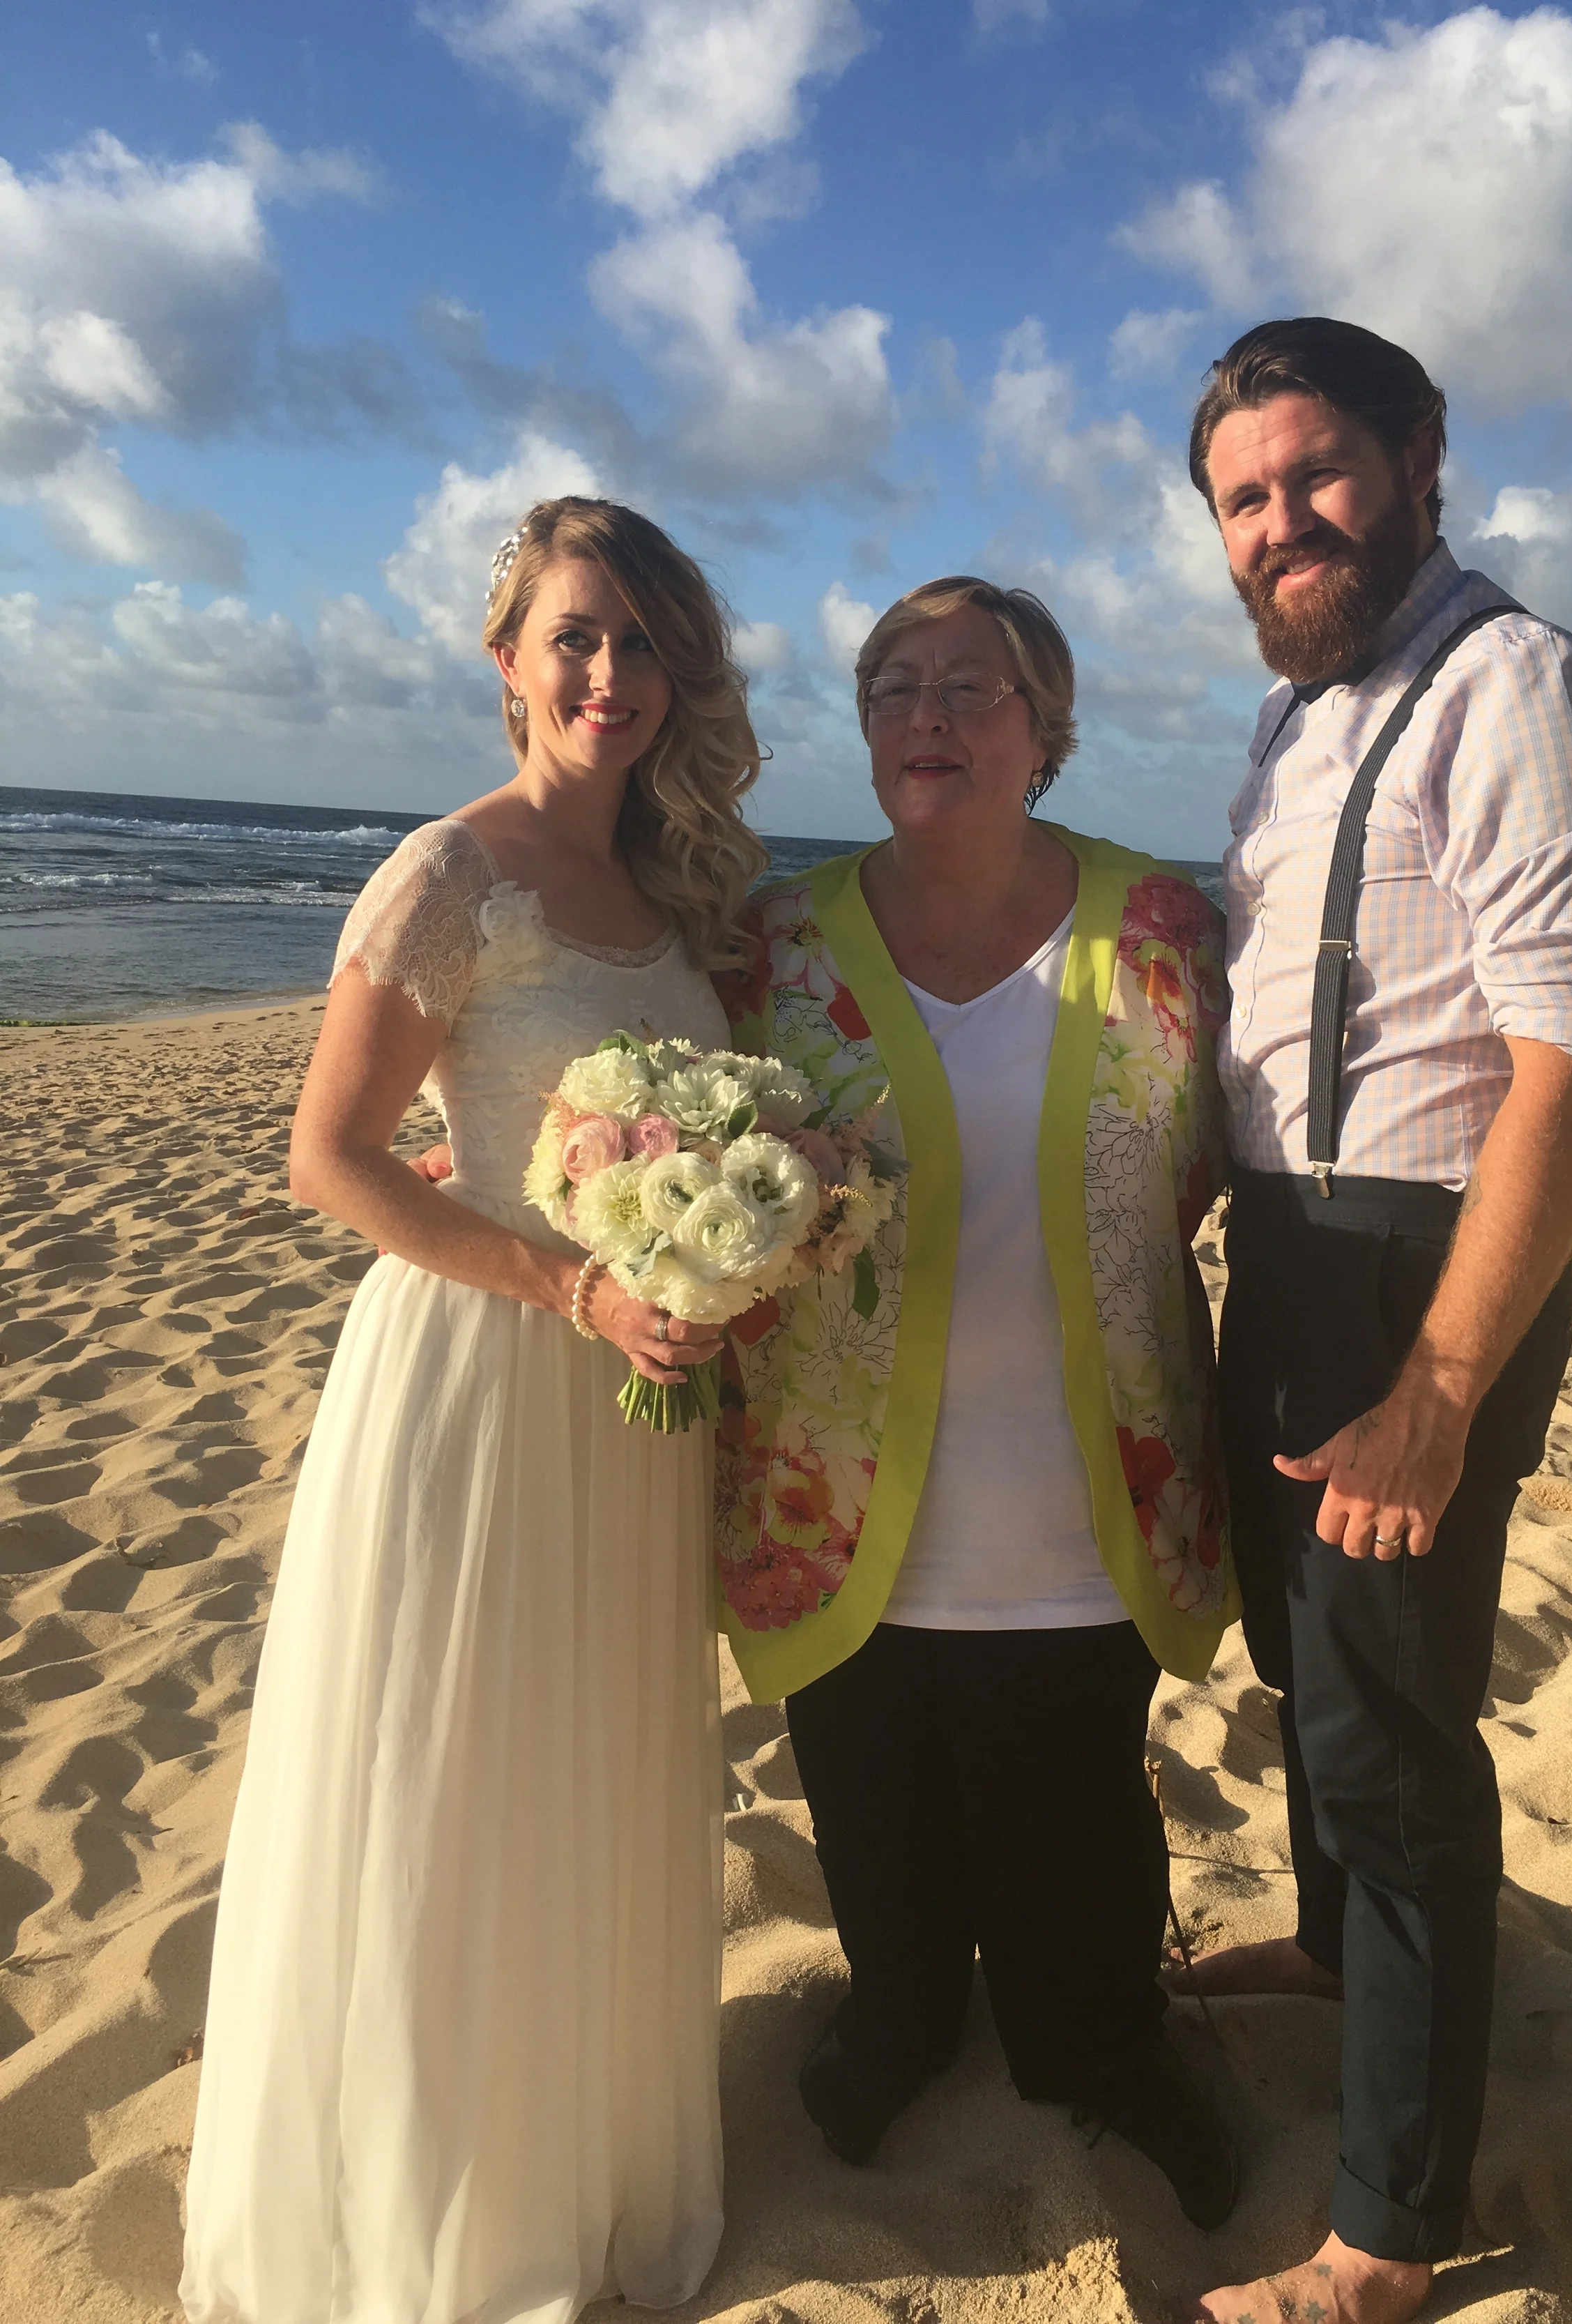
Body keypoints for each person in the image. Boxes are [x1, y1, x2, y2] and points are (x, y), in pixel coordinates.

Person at [180, 498, 765, 2324]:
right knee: (457, 1781)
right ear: (505, 657)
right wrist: (573, 1283)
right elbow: (332, 1160)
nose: (609, 673)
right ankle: (445, 2215)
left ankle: (572, 2161)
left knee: (587, 1764)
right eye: (575, 636)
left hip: (624, 1403)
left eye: (642, 642)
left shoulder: (664, 893)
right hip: (481, 1371)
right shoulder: (451, 873)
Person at [1181, 319, 1572, 2321]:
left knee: (1391, 1733)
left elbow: (1569, 1064)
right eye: (1239, 502)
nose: (1280, 526)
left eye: (1313, 477)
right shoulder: (1300, 715)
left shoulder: (1517, 685)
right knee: (1308, 1665)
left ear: (1416, 455)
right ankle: (1323, 1932)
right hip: (1290, 1249)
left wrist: (1440, 1381)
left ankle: (1387, 2220)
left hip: (1416, 1271)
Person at [711, 575, 1240, 2232]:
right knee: (868, 1800)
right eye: (890, 686)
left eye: (969, 687)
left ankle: (1102, 2042)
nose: (925, 715)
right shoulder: (770, 944)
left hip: (1084, 1488)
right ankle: (901, 2015)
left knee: (1072, 1800)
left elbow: (1215, 1164)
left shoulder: (1162, 926)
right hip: (830, 1488)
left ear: (1045, 729)